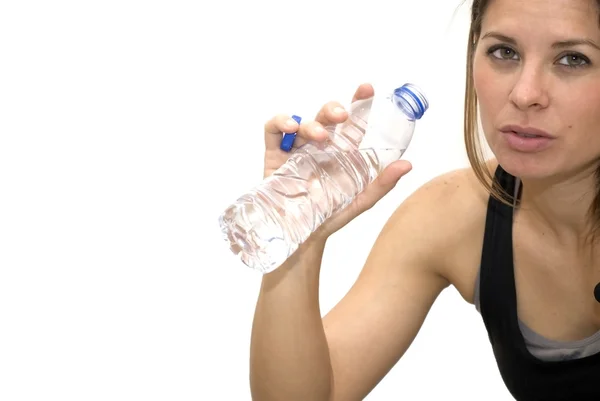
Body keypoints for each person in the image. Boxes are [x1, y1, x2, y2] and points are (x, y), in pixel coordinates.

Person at [248, 0, 600, 399]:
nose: (525, 93)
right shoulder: (453, 214)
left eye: (573, 59)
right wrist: (296, 233)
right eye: (504, 52)